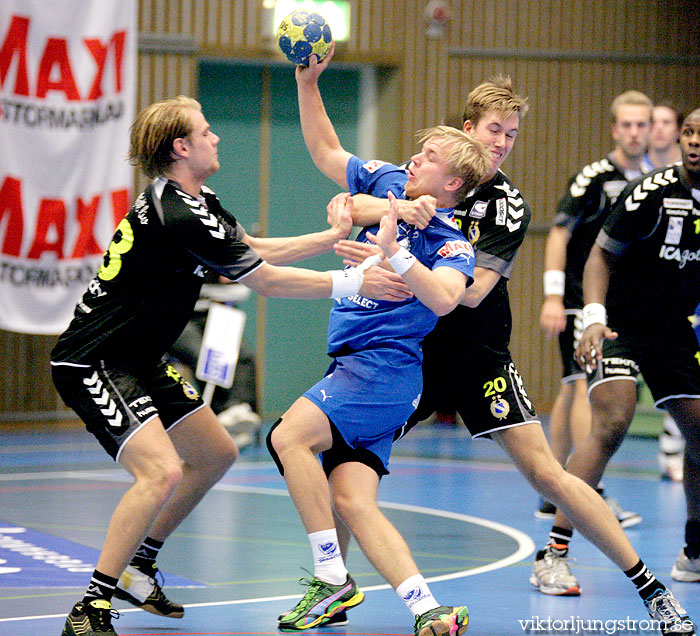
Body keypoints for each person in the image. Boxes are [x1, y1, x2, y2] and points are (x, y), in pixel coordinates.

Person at [275, 48, 694, 636]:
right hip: (406, 357)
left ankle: (649, 589)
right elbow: (335, 165)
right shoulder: (420, 175)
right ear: (465, 132)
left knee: (548, 476)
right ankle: (334, 586)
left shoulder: (505, 206)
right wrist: (371, 206)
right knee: (345, 469)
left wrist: (392, 243)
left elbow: (466, 295)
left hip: (476, 357)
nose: (502, 143)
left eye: (513, 135)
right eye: (494, 130)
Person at [51, 95, 408, 636]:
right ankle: (92, 604)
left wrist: (331, 240)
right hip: (94, 360)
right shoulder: (175, 213)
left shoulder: (198, 201)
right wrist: (355, 281)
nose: (215, 138)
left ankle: (141, 566)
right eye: (207, 130)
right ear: (182, 147)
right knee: (161, 471)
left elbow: (249, 248)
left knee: (215, 453)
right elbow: (263, 279)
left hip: (139, 358)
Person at [268, 43, 492, 636]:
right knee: (353, 501)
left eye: (428, 157)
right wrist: (309, 81)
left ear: (452, 183)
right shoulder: (393, 183)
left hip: (381, 371)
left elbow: (446, 298)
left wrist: (395, 256)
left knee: (288, 438)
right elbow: (325, 150)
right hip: (366, 374)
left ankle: (329, 577)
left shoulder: (454, 244)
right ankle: (429, 611)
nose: (413, 159)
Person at [576, 107, 700, 591]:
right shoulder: (649, 192)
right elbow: (600, 256)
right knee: (612, 420)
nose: (693, 142)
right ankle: (554, 551)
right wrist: (593, 317)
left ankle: (694, 551)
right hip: (620, 324)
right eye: (688, 133)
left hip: (672, 329)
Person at [536, 90, 654, 527]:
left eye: (642, 124)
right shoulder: (592, 177)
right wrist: (552, 296)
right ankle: (587, 491)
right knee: (583, 384)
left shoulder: (653, 179)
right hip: (579, 299)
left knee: (575, 386)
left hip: (623, 306)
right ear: (614, 128)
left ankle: (558, 489)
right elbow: (559, 234)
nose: (635, 132)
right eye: (627, 124)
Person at [640, 101, 686, 482]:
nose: (656, 129)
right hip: (636, 292)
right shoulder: (631, 175)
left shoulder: (688, 176)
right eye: (651, 122)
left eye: (666, 123)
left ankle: (674, 446)